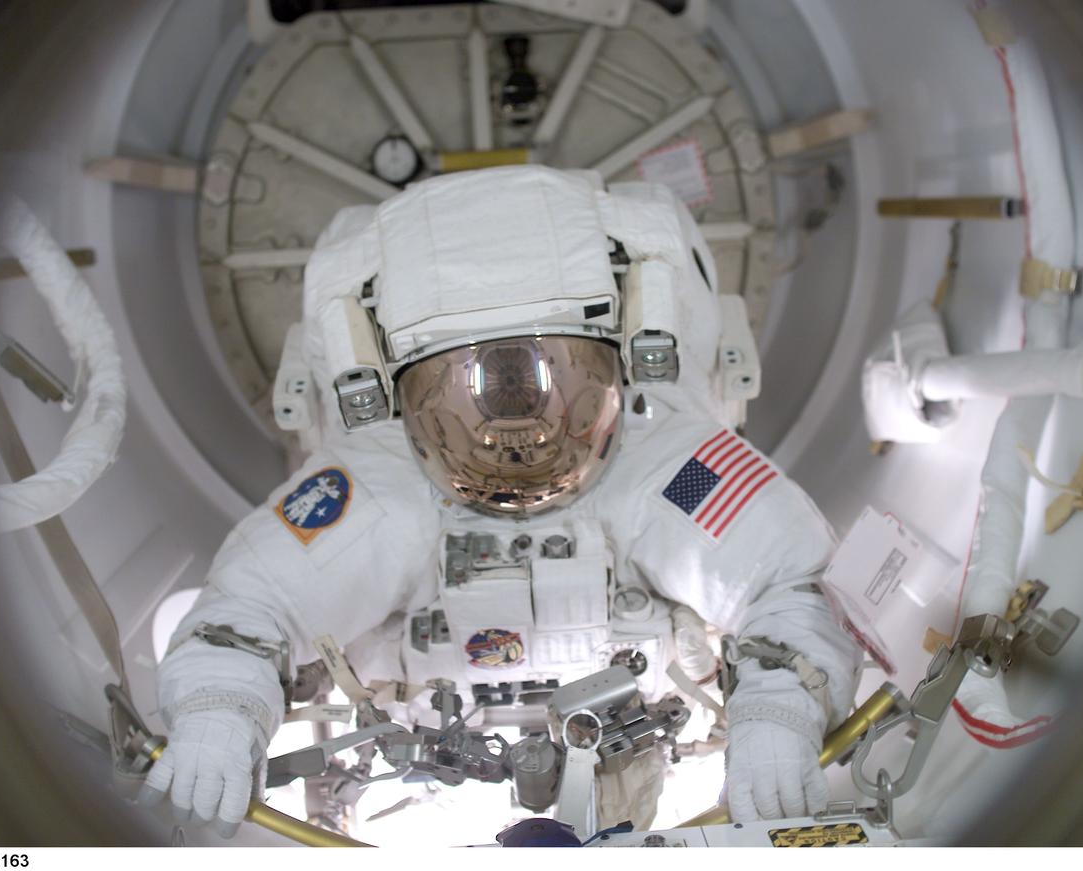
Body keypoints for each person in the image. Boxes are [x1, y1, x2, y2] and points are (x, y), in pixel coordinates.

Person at [139, 165, 861, 838]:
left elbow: (792, 582)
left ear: (620, 360)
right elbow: (246, 612)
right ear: (395, 396)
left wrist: (777, 711)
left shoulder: (671, 466)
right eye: (468, 396)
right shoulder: (380, 487)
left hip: (653, 774)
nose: (518, 436)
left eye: (553, 381)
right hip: (418, 795)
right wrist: (219, 710)